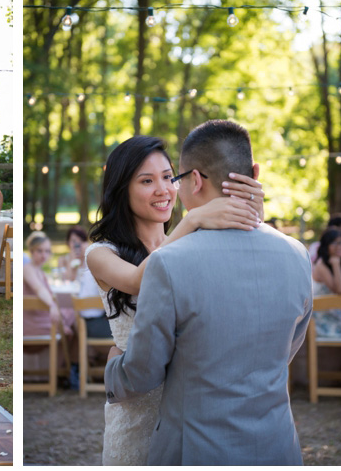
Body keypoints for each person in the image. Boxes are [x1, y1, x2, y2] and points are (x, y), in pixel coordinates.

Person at [104, 120, 310, 465]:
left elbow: (141, 374)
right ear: (254, 172)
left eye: (176, 178)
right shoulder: (298, 254)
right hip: (279, 449)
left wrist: (111, 368)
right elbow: (286, 349)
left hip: (197, 451)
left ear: (195, 180)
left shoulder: (169, 263)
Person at [85, 134, 264, 465]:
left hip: (191, 408)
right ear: (121, 188)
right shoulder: (100, 253)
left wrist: (252, 210)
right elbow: (141, 280)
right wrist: (193, 219)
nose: (163, 190)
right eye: (147, 181)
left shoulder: (186, 244)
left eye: (168, 178)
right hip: (137, 405)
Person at [22, 231, 76, 355]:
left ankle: (70, 364)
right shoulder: (28, 269)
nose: (43, 255)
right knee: (73, 317)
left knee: (72, 314)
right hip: (33, 324)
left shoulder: (39, 271)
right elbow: (38, 289)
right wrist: (52, 305)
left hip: (40, 319)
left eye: (47, 251)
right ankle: (72, 365)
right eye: (39, 251)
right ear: (31, 251)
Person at [310, 228, 341, 338]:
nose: (339, 246)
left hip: (335, 314)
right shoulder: (322, 264)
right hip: (323, 320)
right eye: (334, 243)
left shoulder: (339, 262)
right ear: (326, 246)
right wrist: (336, 263)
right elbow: (339, 291)